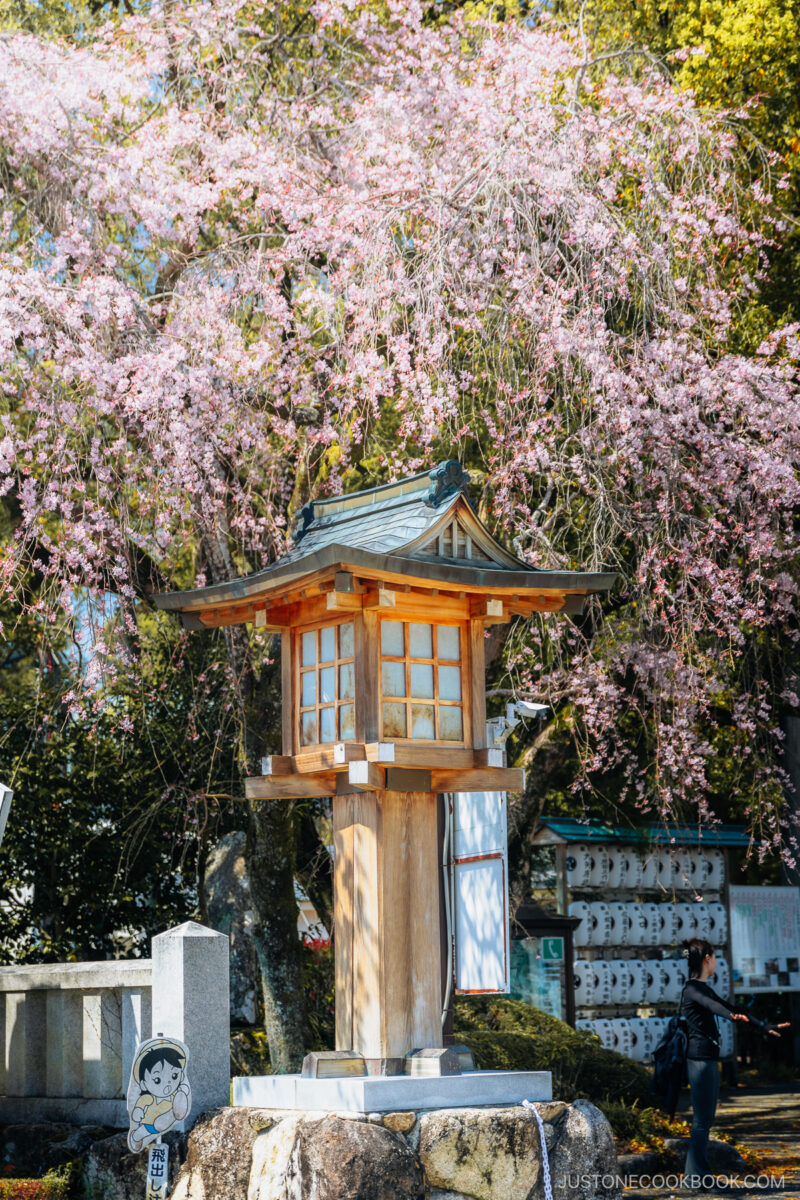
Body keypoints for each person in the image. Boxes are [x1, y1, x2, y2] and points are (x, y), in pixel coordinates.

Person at [680, 937, 789, 1190]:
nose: (716, 961)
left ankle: (693, 1177)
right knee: (702, 1121)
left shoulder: (703, 987)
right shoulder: (692, 989)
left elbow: (729, 1006)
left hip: (706, 1058)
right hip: (700, 1060)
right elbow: (715, 1006)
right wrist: (728, 1015)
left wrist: (764, 1025)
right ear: (707, 958)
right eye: (714, 956)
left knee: (703, 1120)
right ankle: (700, 1179)